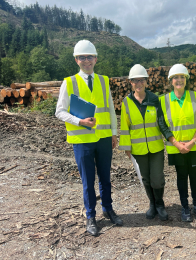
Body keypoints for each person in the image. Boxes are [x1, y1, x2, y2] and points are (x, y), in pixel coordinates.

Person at [55, 40, 123, 236]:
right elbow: (59, 112)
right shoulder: (68, 82)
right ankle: (91, 216)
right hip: (82, 140)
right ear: (76, 60)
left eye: (90, 57)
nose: (87, 61)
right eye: (82, 57)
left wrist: (113, 133)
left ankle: (108, 209)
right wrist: (79, 121)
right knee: (88, 181)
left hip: (103, 137)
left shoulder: (103, 80)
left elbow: (110, 108)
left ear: (96, 59)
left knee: (105, 178)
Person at [158, 64, 196, 222]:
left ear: (186, 79)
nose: (179, 80)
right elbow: (163, 126)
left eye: (182, 77)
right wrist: (177, 144)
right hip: (176, 148)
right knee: (181, 178)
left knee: (194, 177)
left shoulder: (195, 97)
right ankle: (185, 207)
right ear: (171, 81)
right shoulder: (163, 101)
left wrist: (192, 142)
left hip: (195, 147)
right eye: (175, 78)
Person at [119, 64, 168, 221]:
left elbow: (162, 122)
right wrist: (127, 148)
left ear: (146, 82)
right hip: (138, 149)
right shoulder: (126, 102)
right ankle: (152, 205)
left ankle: (160, 205)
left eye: (141, 80)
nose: (138, 84)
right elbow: (124, 126)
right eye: (135, 81)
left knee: (157, 178)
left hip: (156, 148)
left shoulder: (154, 100)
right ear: (130, 82)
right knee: (145, 178)